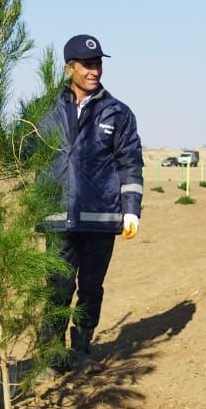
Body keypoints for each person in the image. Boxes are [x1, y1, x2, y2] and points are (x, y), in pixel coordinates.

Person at [37, 34, 144, 369]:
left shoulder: (118, 113)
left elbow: (130, 163)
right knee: (57, 287)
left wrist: (131, 212)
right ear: (69, 68)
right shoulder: (43, 109)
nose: (94, 70)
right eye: (86, 64)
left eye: (97, 64)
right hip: (58, 215)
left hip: (100, 218)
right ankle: (51, 355)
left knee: (91, 288)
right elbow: (21, 153)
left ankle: (81, 349)